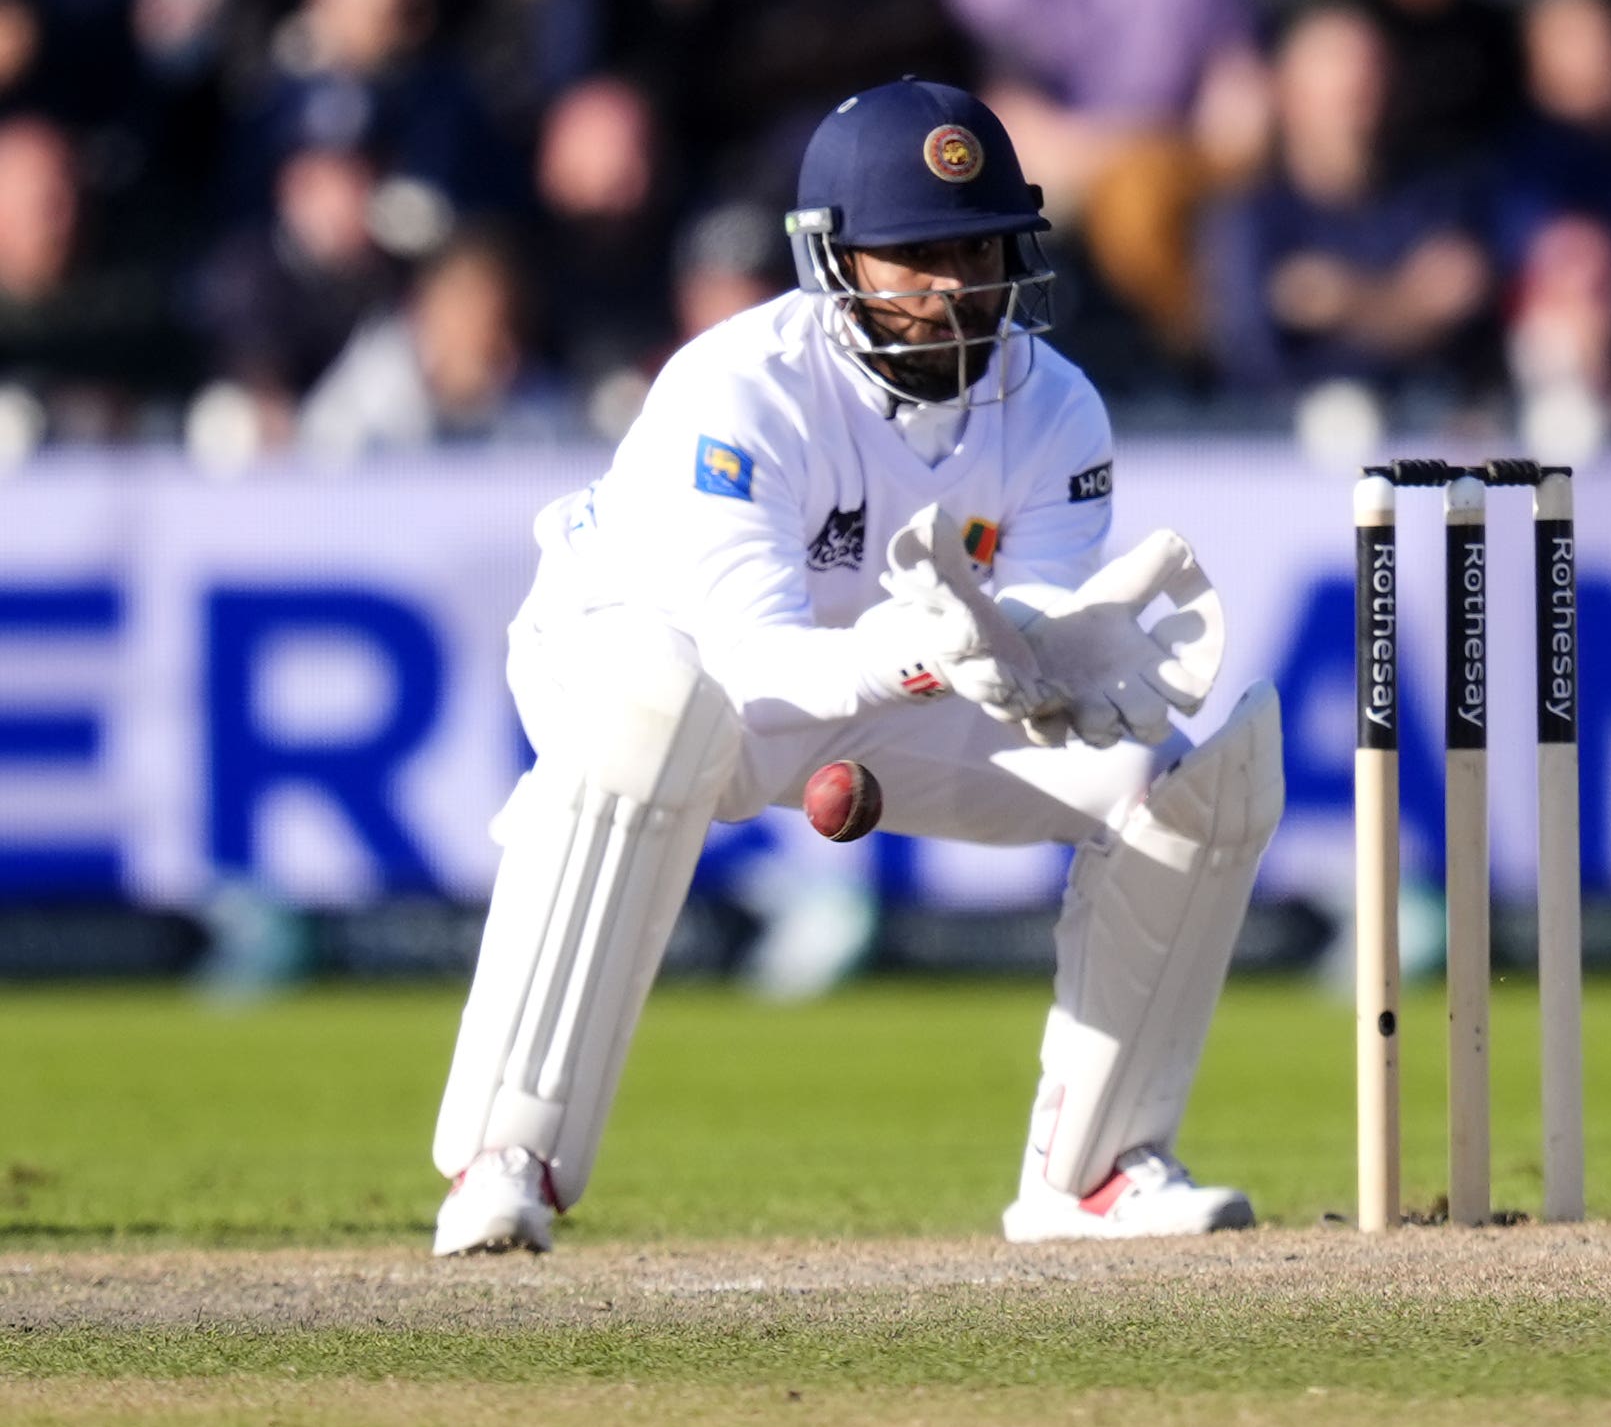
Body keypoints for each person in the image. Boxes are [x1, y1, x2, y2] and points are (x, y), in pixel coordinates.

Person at [430, 77, 1282, 1255]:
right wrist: (922, 649)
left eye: (978, 250)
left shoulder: (1056, 409)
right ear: (832, 262)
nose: (953, 288)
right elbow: (749, 661)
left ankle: (1094, 1175)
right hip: (641, 651)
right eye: (914, 257)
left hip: (892, 687)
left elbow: (1015, 627)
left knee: (1185, 784)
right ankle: (501, 1159)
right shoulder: (739, 391)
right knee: (655, 708)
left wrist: (1057, 658)